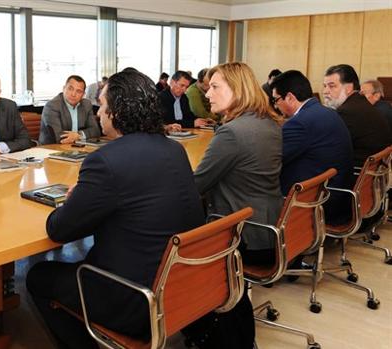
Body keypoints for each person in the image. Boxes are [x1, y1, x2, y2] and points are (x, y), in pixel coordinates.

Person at [26, 70, 205, 349]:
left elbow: (59, 230)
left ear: (117, 112)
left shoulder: (105, 161)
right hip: (180, 285)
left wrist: (76, 200)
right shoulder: (173, 150)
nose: (99, 114)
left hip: (133, 298)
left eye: (103, 106)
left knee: (38, 275)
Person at [195, 62, 283, 265]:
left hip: (242, 237)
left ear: (238, 89)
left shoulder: (232, 132)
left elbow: (197, 185)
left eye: (215, 87)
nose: (208, 94)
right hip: (269, 229)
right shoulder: (269, 123)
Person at [271, 70, 353, 224]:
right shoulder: (327, 113)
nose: (276, 106)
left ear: (290, 97)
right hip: (337, 194)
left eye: (276, 100)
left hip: (319, 203)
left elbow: (272, 160)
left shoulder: (299, 123)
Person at [322, 64, 391, 168]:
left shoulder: (347, 111)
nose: (325, 91)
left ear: (349, 88)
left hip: (352, 175)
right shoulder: (361, 104)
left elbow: (327, 148)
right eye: (325, 86)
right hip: (369, 175)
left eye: (332, 86)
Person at [39, 75, 101, 144]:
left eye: (78, 91)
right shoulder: (52, 106)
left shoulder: (86, 105)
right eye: (70, 89)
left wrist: (79, 135)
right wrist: (80, 136)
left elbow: (96, 131)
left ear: (83, 94)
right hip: (50, 149)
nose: (73, 94)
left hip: (76, 148)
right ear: (64, 88)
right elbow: (58, 137)